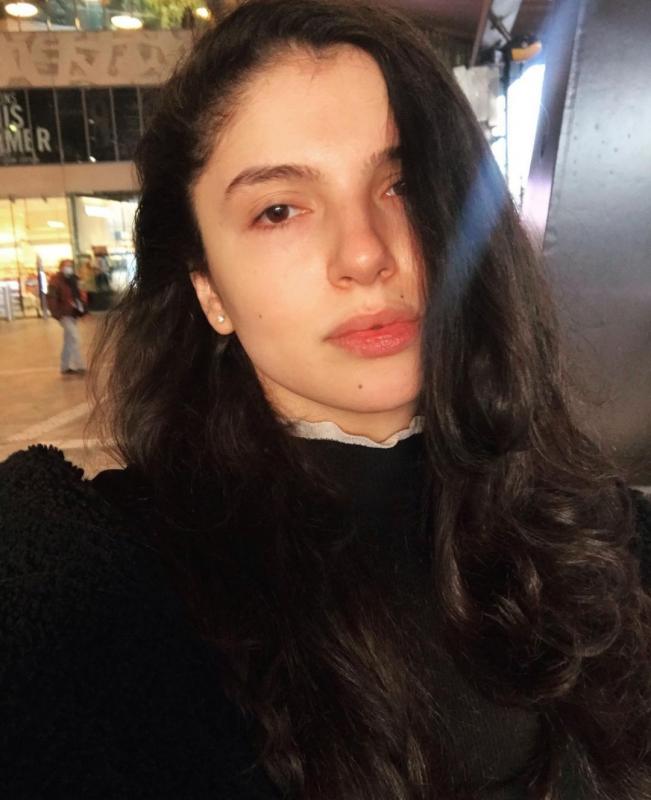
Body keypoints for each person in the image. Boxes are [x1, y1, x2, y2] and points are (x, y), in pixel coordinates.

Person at [1, 1, 650, 797]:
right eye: (278, 210)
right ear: (208, 289)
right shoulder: (88, 588)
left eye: (401, 184)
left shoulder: (603, 538)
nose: (365, 253)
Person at [46, 258, 87, 375]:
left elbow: (79, 295)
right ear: (61, 268)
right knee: (75, 338)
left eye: (70, 266)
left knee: (68, 340)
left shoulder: (73, 279)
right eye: (66, 266)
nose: (69, 268)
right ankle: (80, 365)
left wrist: (82, 310)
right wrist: (57, 314)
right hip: (64, 314)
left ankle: (64, 366)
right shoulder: (55, 281)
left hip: (73, 313)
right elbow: (51, 299)